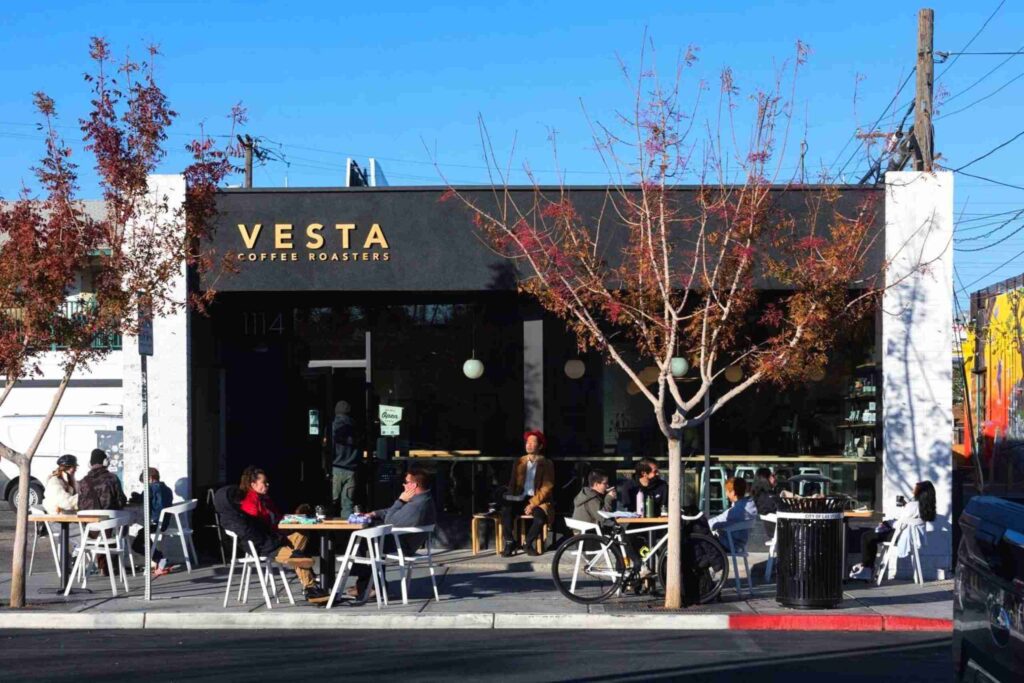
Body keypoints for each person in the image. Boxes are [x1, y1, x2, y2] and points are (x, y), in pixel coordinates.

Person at [236, 466, 330, 604]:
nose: (267, 485)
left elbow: (278, 518)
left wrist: (294, 518)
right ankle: (310, 587)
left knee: (302, 533)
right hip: (266, 543)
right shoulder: (250, 503)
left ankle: (299, 560)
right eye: (264, 482)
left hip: (276, 537)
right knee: (300, 557)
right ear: (253, 484)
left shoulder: (265, 499)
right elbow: (257, 526)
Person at [347, 466, 437, 600]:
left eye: (406, 482)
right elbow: (394, 512)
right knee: (369, 540)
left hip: (403, 545)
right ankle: (368, 585)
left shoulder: (417, 505)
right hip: (403, 539)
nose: (403, 484)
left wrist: (400, 500)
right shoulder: (422, 498)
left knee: (365, 542)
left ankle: (368, 586)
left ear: (413, 485)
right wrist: (373, 514)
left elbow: (391, 519)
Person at [849, 481, 936, 582]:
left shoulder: (912, 505)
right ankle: (868, 567)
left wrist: (887, 523)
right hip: (914, 538)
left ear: (920, 491)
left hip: (902, 537)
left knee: (867, 536)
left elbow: (900, 523)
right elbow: (909, 519)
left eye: (915, 488)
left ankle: (867, 568)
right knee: (872, 536)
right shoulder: (927, 507)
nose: (913, 490)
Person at [500, 430, 555, 557]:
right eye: (527, 442)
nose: (528, 445)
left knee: (540, 519)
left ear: (540, 446)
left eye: (532, 442)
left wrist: (533, 504)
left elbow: (547, 487)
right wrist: (510, 497)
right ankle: (509, 542)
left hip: (538, 499)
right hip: (519, 497)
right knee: (506, 511)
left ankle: (528, 544)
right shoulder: (519, 462)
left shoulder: (546, 463)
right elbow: (512, 483)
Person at [130, 468, 174, 578]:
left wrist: (135, 497)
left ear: (150, 479)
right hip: (164, 522)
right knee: (143, 534)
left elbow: (142, 499)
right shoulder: (167, 489)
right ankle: (159, 559)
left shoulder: (151, 489)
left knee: (136, 545)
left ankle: (159, 558)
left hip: (156, 522)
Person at [708, 477, 758, 553]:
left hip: (729, 544)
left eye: (727, 491)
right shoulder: (748, 506)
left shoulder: (736, 511)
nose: (726, 494)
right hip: (740, 544)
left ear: (733, 492)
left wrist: (705, 524)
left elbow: (717, 522)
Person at [331, 400, 360, 517]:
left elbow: (329, 448)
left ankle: (329, 533)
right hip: (351, 469)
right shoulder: (355, 427)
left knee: (331, 502)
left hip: (336, 468)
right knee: (347, 504)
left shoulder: (332, 426)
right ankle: (346, 534)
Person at [750, 467, 781, 537]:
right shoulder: (768, 497)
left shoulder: (759, 495)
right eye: (772, 476)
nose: (775, 478)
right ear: (765, 479)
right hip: (779, 530)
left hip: (773, 529)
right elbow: (781, 507)